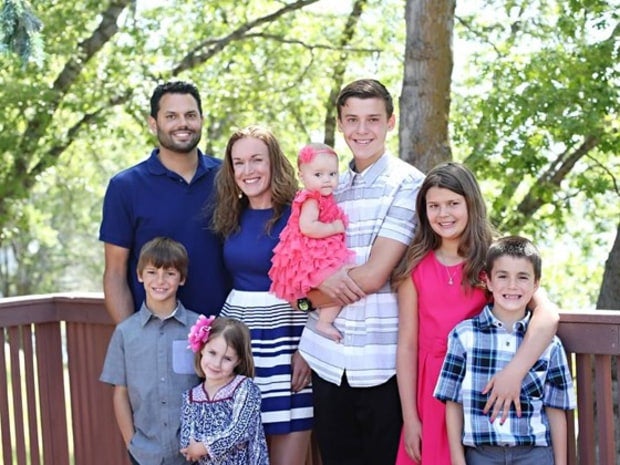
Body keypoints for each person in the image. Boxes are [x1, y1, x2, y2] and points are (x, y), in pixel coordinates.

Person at [392, 163, 560, 465]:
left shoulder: (493, 261)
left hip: (482, 385)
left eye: (453, 204)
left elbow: (547, 315)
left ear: (470, 203)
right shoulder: (413, 267)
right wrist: (411, 419)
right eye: (434, 206)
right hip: (431, 394)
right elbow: (406, 346)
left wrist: (514, 373)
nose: (444, 214)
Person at [297, 78, 425, 465]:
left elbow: (374, 276)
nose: (362, 130)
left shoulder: (409, 184)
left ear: (390, 122)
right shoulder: (328, 185)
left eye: (373, 119)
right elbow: (303, 263)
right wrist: (306, 299)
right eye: (352, 119)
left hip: (383, 361)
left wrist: (308, 299)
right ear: (340, 123)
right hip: (327, 359)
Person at [210, 125, 313, 465]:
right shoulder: (230, 215)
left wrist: (308, 349)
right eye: (239, 162)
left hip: (286, 347)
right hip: (243, 351)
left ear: (274, 163)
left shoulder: (299, 215)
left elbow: (316, 289)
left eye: (257, 159)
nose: (248, 170)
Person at [434, 236, 575, 465]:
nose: (512, 286)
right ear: (488, 281)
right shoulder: (464, 336)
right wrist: (458, 460)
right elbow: (453, 402)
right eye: (502, 276)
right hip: (481, 455)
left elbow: (556, 410)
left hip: (534, 454)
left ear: (536, 284)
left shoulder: (549, 345)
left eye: (522, 277)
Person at [99, 80, 230, 323]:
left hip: (224, 339)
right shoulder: (125, 187)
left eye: (190, 115)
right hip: (156, 335)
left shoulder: (228, 178)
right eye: (171, 116)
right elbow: (115, 274)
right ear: (153, 123)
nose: (183, 124)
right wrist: (132, 337)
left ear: (201, 119)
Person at [100, 237, 201, 465]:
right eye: (152, 272)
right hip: (145, 454)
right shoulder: (125, 333)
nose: (160, 280)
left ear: (182, 279)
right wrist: (131, 443)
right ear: (139, 276)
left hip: (192, 453)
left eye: (170, 273)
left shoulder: (199, 329)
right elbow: (120, 393)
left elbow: (211, 385)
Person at [269, 142, 355, 342]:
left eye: (332, 174)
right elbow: (308, 227)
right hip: (309, 254)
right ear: (302, 176)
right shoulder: (311, 199)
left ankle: (322, 318)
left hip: (316, 251)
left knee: (337, 284)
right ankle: (324, 322)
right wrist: (334, 228)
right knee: (337, 284)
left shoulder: (323, 197)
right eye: (318, 175)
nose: (327, 180)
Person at [179, 315, 269, 465]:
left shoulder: (245, 388)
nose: (216, 363)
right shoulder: (191, 397)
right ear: (202, 348)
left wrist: (204, 447)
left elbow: (240, 431)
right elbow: (187, 443)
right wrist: (194, 448)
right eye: (212, 353)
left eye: (227, 358)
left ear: (238, 360)